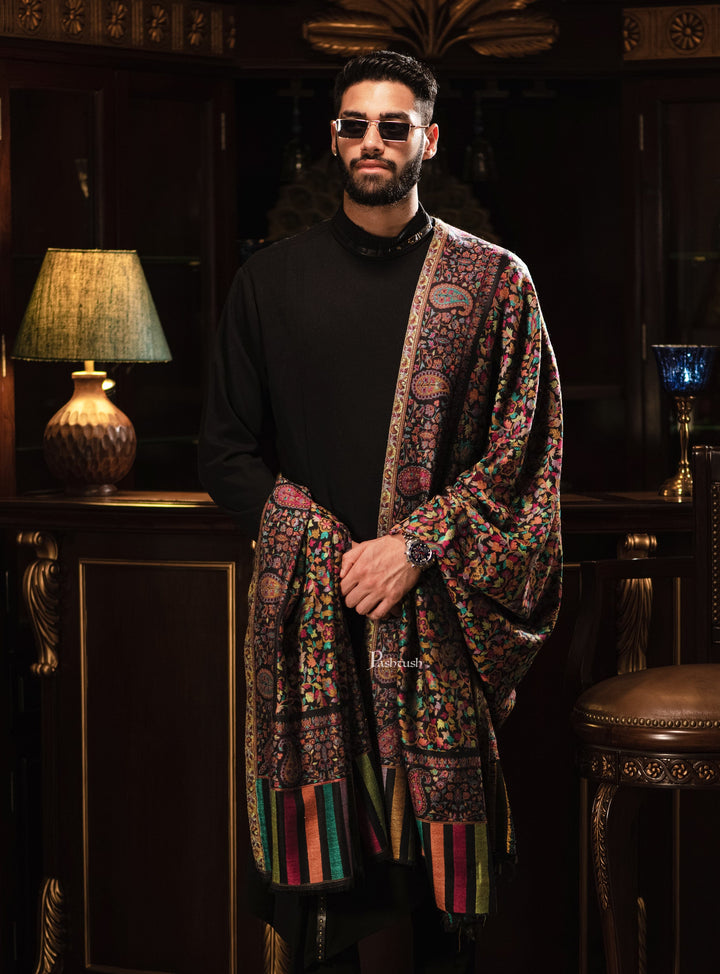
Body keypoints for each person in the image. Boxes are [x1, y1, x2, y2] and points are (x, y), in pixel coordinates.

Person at [199, 50, 562, 974]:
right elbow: (226, 453)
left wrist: (415, 545)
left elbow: (524, 457)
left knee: (443, 910)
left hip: (436, 612)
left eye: (394, 127)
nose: (373, 141)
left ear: (427, 141)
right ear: (333, 138)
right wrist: (321, 546)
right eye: (355, 125)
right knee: (328, 911)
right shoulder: (268, 283)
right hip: (316, 616)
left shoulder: (495, 283)